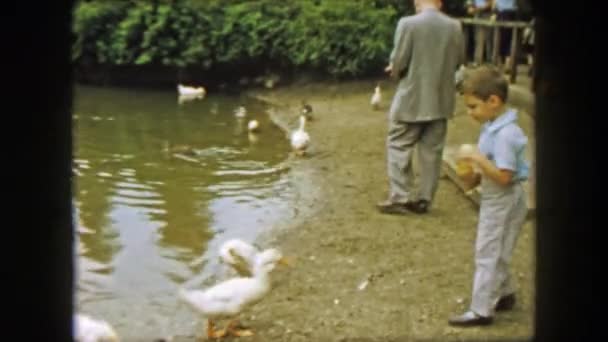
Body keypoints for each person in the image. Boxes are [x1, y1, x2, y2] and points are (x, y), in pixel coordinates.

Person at [448, 66, 529, 326]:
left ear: (493, 101)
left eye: (473, 107)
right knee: (499, 248)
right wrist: (470, 175)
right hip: (498, 197)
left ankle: (481, 309)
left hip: (503, 199)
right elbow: (491, 171)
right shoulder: (493, 125)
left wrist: (477, 159)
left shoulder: (506, 134)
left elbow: (505, 176)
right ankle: (505, 293)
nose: (469, 113)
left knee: (487, 251)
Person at [377, 0, 465, 215]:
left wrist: (394, 71)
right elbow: (459, 62)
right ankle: (425, 199)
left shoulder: (408, 23)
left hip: (412, 98)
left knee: (398, 145)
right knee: (432, 152)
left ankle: (401, 196)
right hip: (440, 100)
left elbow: (399, 60)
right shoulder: (455, 26)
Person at [493, 0, 518, 71]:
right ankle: (505, 64)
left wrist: (494, 12)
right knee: (508, 40)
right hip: (511, 13)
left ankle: (502, 64)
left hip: (503, 13)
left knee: (501, 39)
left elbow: (495, 5)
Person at [468, 0, 494, 65]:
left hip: (487, 16)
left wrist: (476, 9)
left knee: (488, 40)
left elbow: (490, 4)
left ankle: (490, 61)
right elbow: (470, 8)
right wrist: (471, 8)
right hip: (477, 17)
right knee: (478, 39)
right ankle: (477, 60)